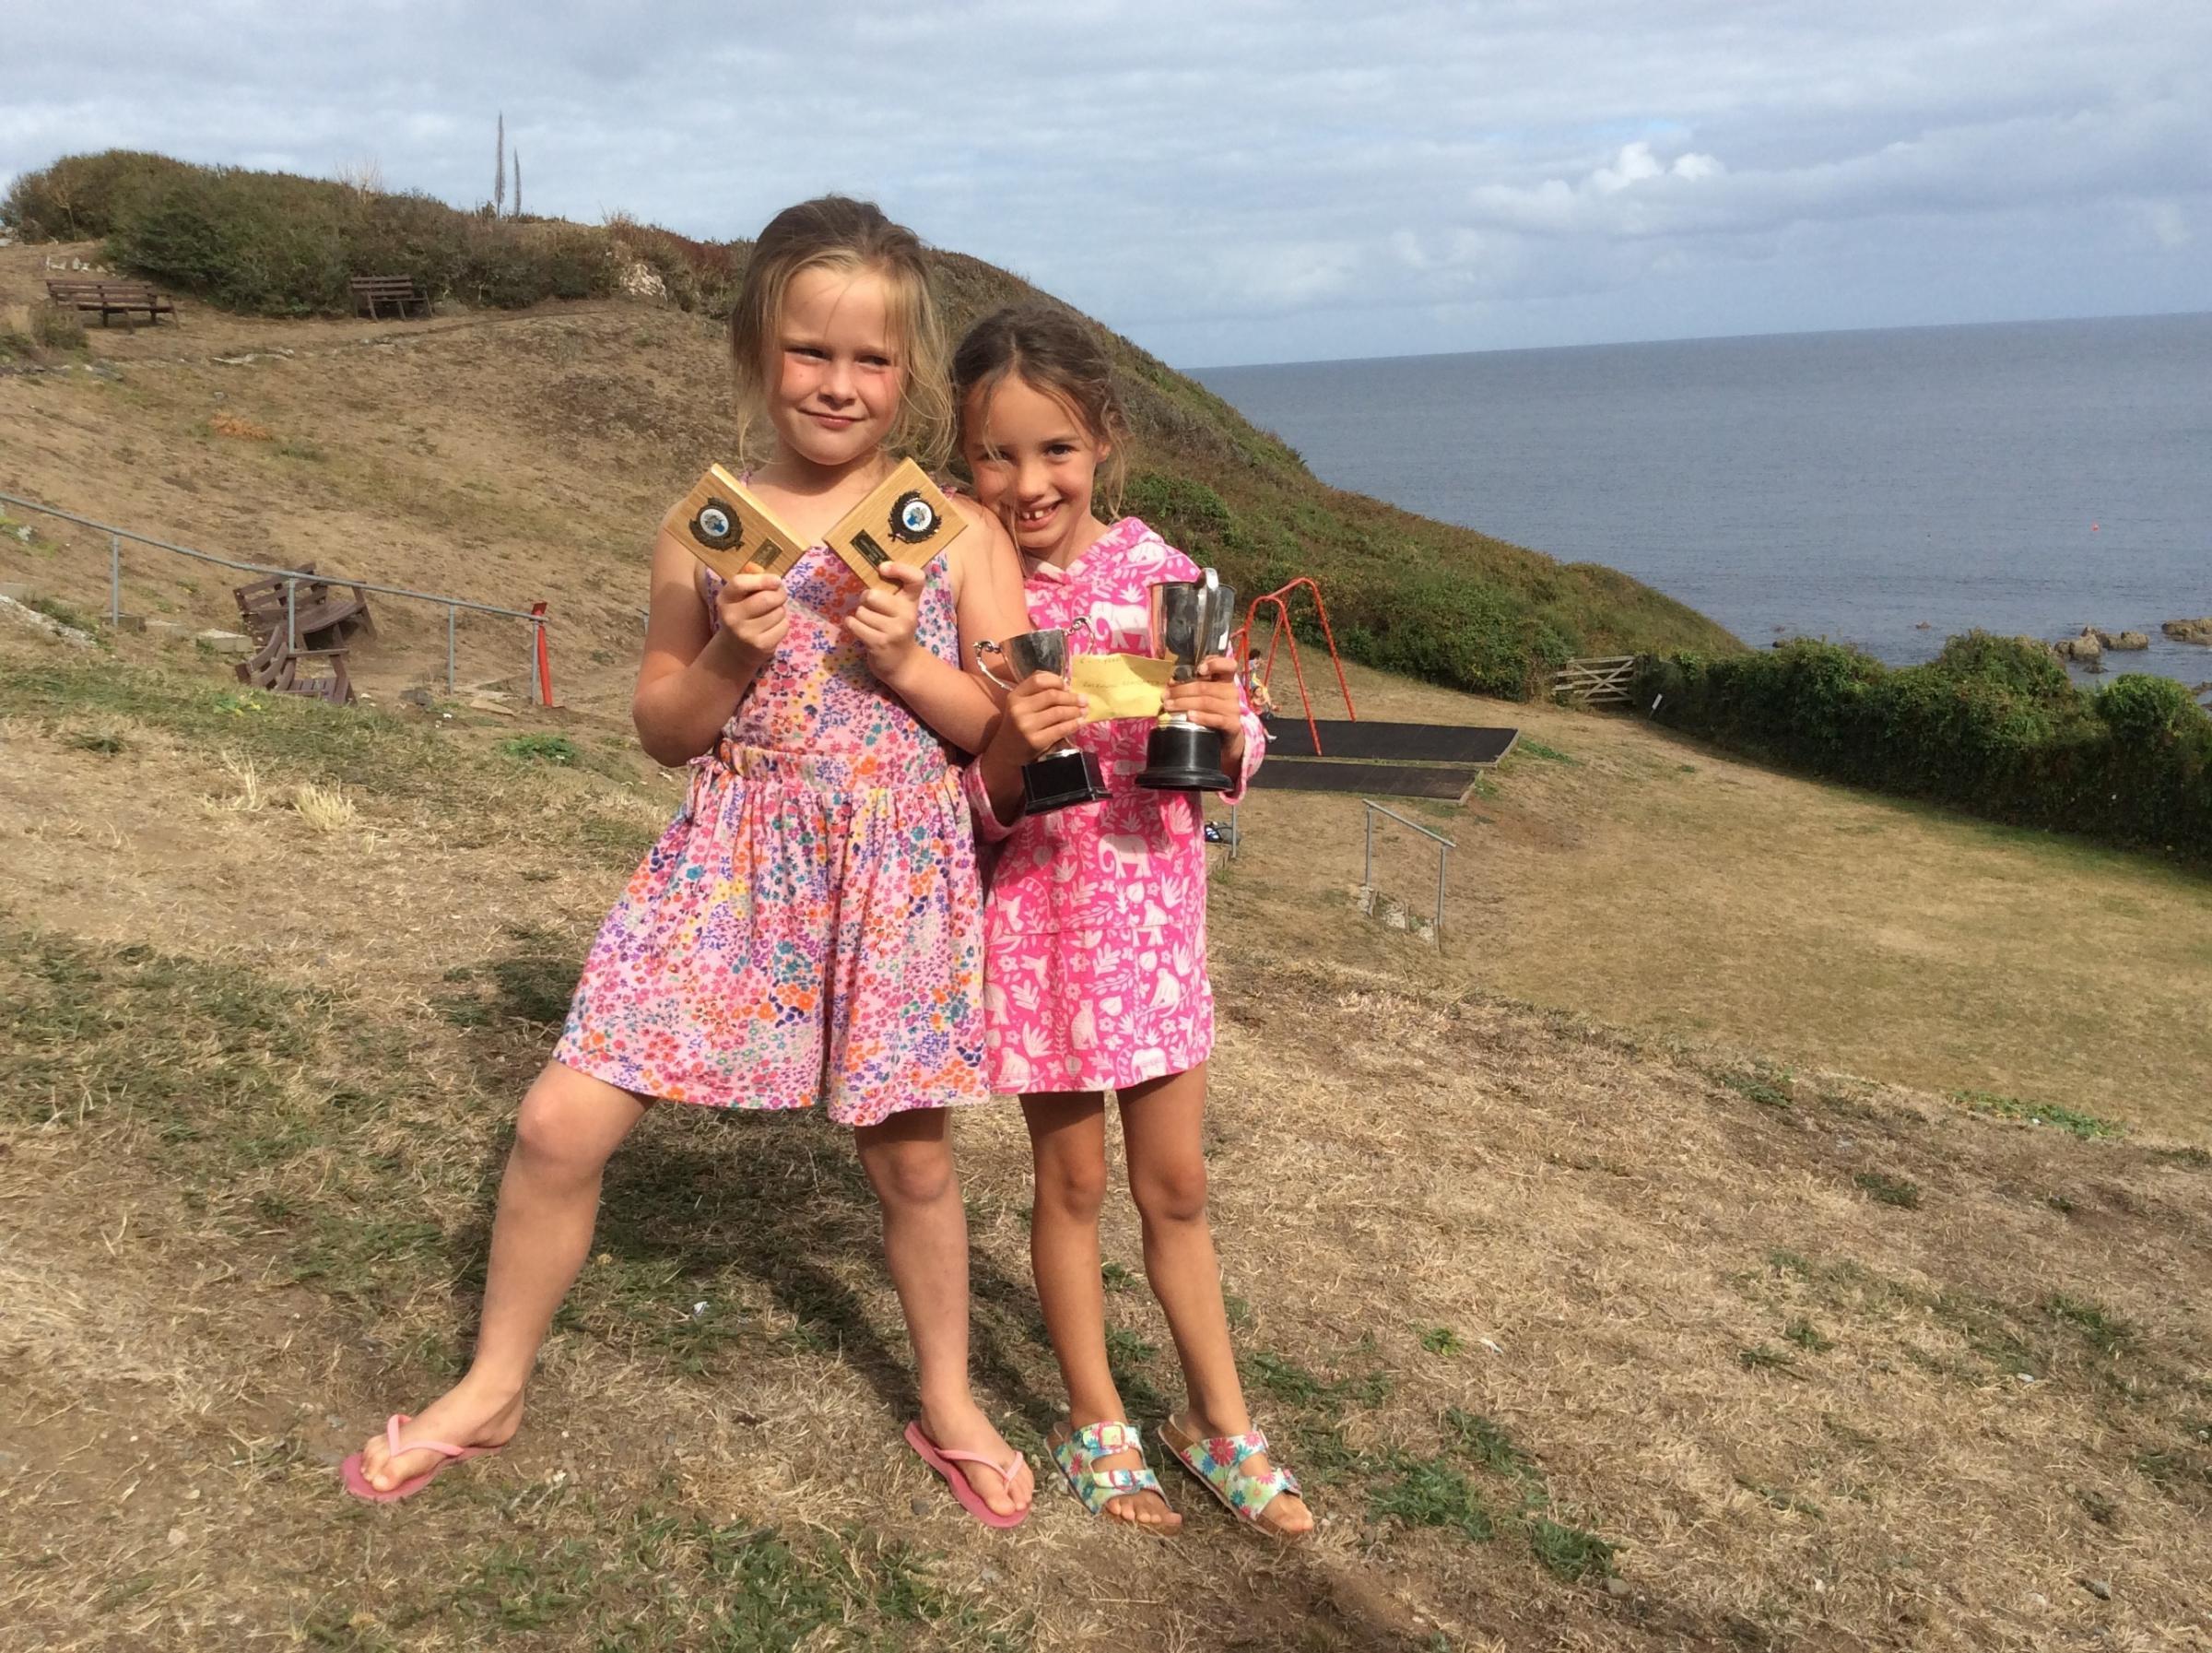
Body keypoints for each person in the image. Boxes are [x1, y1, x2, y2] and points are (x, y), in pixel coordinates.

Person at [345, 197, 1038, 1527]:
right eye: (808, 351)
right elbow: (662, 730)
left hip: (892, 864)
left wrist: (901, 659)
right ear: (753, 353)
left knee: (914, 1163)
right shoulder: (702, 531)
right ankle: (492, 1383)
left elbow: (997, 738)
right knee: (557, 1121)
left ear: (910, 377)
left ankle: (947, 1395)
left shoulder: (957, 531)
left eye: (872, 359)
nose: (839, 383)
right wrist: (732, 649)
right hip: (728, 858)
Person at [952, 303, 1312, 1536]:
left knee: (1178, 1184)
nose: (1026, 481)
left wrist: (1221, 711)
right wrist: (1007, 743)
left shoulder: (1165, 576)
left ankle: (1219, 1422)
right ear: (963, 459)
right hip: (1042, 938)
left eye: (1053, 448)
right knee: (1072, 1182)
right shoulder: (975, 601)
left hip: (1154, 936)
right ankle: (1097, 1415)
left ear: (1102, 436)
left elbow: (1239, 745)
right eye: (995, 455)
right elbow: (969, 802)